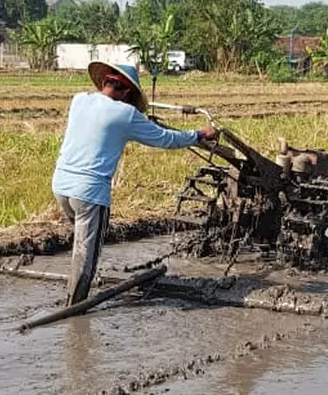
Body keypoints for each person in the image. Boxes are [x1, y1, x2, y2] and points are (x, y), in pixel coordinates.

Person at [52, 60, 217, 306]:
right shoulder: (126, 114)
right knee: (86, 254)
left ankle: (72, 294)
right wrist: (199, 135)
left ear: (104, 82)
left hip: (61, 185)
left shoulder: (79, 100)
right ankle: (75, 309)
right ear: (128, 92)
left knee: (79, 243)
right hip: (89, 193)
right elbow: (165, 139)